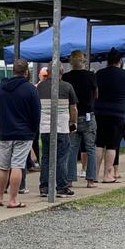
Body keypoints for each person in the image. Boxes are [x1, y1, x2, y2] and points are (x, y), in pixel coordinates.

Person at [0, 59, 40, 208]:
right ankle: (13, 199)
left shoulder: (1, 88)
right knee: (17, 165)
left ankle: (0, 197)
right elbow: (36, 113)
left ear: (13, 71)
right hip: (24, 133)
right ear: (26, 72)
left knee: (3, 166)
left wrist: (2, 124)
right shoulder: (30, 89)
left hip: (6, 132)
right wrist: (32, 130)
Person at [94, 48, 125, 183]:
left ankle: (94, 174)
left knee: (99, 143)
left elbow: (95, 92)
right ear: (120, 61)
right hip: (118, 113)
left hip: (100, 111)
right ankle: (107, 175)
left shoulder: (99, 74)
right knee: (112, 145)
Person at [37, 64, 77, 197]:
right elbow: (73, 108)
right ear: (62, 72)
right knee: (62, 157)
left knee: (46, 157)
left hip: (45, 127)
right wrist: (73, 122)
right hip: (62, 127)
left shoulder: (40, 87)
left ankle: (44, 187)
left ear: (47, 73)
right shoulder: (67, 86)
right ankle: (61, 187)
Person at [63, 49, 98, 187]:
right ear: (83, 61)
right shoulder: (91, 76)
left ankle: (70, 179)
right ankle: (90, 179)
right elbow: (96, 94)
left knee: (72, 148)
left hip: (71, 116)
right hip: (88, 115)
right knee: (90, 148)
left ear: (71, 62)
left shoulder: (66, 77)